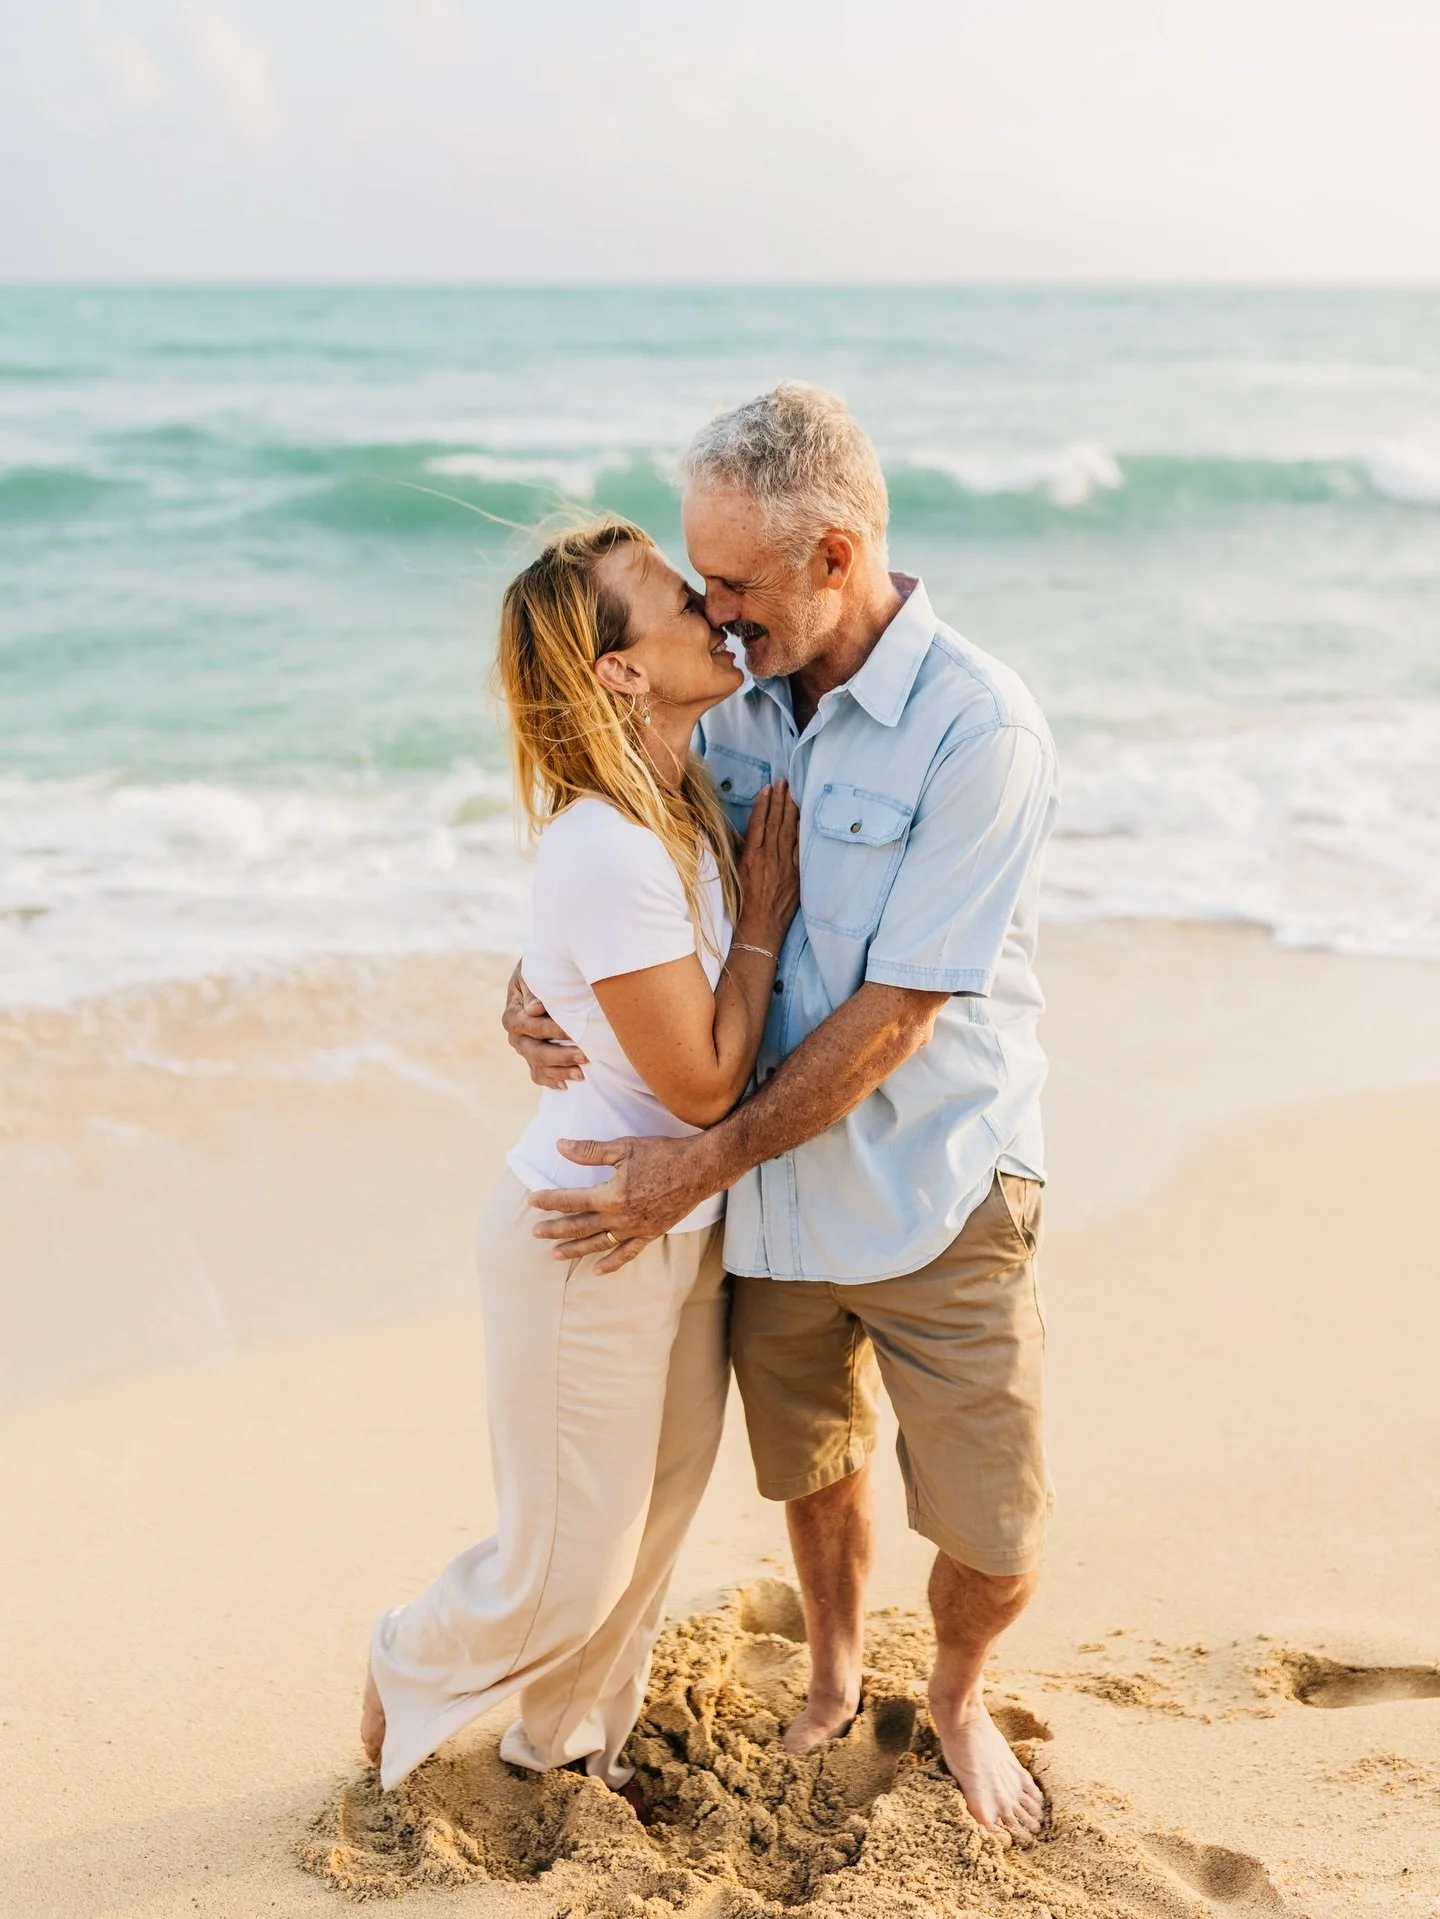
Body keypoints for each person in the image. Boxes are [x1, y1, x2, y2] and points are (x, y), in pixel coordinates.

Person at [505, 385, 1058, 1842]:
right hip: (775, 1206)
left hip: (938, 1177)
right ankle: (831, 1663)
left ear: (835, 555)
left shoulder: (977, 729)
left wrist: (696, 1158)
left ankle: (954, 1688)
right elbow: (630, 842)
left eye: (737, 581)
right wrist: (532, 976)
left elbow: (897, 1012)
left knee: (996, 1531)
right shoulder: (723, 691)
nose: (714, 606)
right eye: (701, 582)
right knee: (814, 1459)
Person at [362, 518, 799, 1794]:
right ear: (620, 670)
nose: (712, 609)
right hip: (583, 1227)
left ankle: (563, 1747)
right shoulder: (606, 840)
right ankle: (405, 1655)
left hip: (683, 1216)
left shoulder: (680, 788)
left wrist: (535, 982)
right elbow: (708, 1079)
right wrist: (764, 920)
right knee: (565, 1561)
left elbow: (601, 979)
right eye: (679, 600)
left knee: (653, 1528)